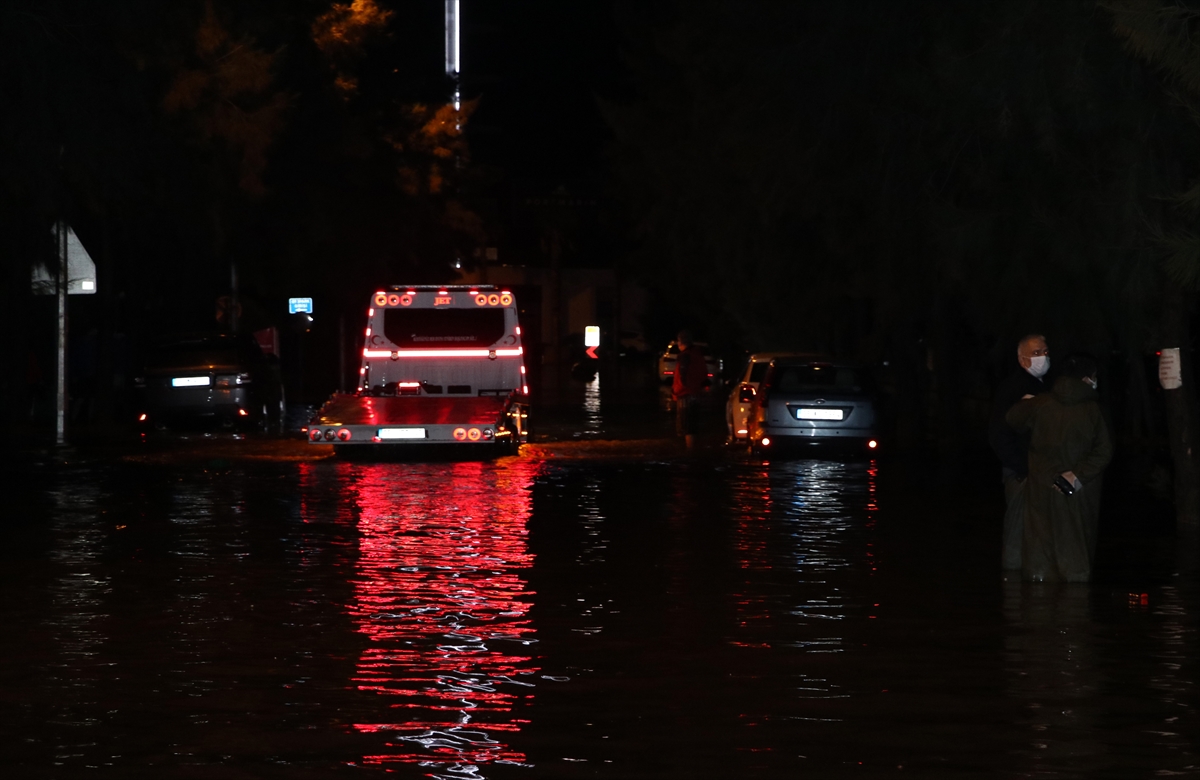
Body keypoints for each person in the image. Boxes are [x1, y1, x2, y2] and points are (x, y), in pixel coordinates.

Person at [1006, 353, 1112, 582]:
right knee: (1075, 555)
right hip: (1077, 492)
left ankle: (1036, 604)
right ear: (1087, 379)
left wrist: (1025, 403)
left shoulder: (1041, 403)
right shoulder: (1095, 410)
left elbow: (1012, 419)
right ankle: (1074, 610)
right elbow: (1105, 451)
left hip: (1041, 487)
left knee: (1039, 554)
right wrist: (1077, 475)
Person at [988, 334, 1052, 570]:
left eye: (1045, 352)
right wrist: (1021, 468)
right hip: (1021, 472)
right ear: (1022, 359)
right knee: (1017, 530)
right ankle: (1013, 586)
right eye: (1036, 353)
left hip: (1037, 471)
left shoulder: (1046, 386)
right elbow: (998, 434)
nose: (1043, 357)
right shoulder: (1013, 388)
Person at [672, 330, 708, 449]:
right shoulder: (698, 355)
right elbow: (704, 376)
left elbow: (682, 377)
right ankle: (694, 451)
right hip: (697, 394)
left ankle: (690, 452)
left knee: (687, 427)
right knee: (693, 426)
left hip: (685, 395)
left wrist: (675, 391)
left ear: (681, 342)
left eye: (678, 341)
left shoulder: (685, 356)